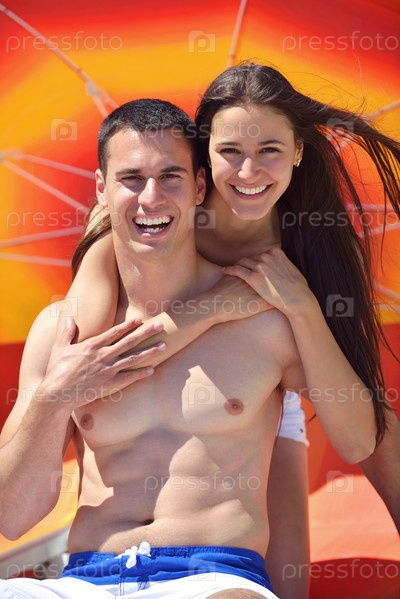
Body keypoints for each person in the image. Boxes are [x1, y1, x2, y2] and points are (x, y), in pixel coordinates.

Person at [0, 98, 383, 599]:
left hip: (214, 576)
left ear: (200, 186)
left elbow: (358, 440)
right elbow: (12, 517)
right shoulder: (65, 333)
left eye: (171, 177)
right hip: (86, 577)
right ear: (101, 189)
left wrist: (304, 309)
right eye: (131, 178)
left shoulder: (262, 312)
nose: (151, 197)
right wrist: (56, 397)